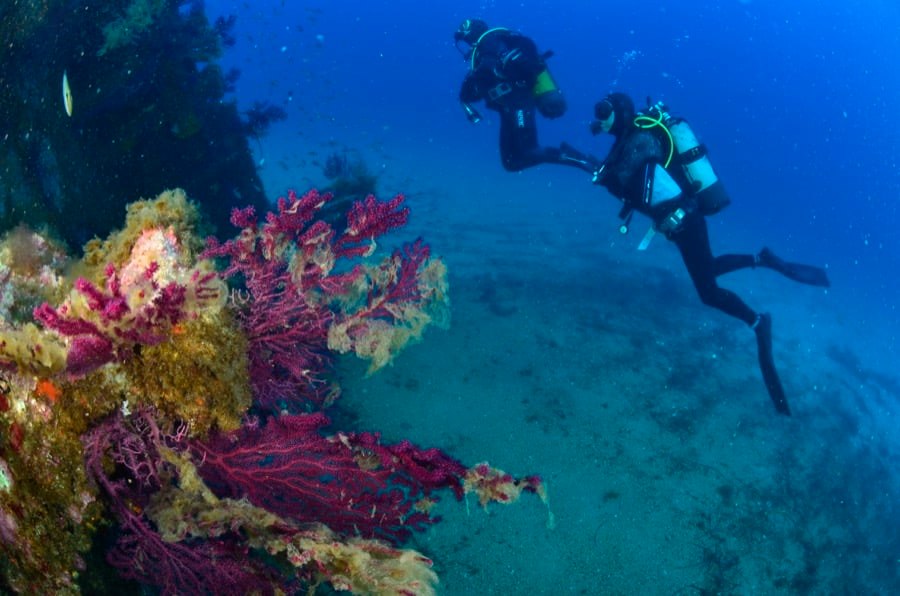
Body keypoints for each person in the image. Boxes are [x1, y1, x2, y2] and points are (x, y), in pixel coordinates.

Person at [588, 92, 830, 416]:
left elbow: (634, 189)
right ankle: (762, 260)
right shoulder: (630, 141)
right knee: (709, 269)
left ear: (619, 112)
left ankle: (758, 322)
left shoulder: (640, 139)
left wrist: (600, 174)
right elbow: (625, 181)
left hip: (686, 221)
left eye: (603, 111)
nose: (598, 118)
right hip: (682, 222)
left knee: (708, 291)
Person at [454, 18, 598, 173]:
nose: (465, 37)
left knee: (530, 151)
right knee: (511, 162)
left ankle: (582, 160)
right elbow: (480, 85)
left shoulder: (489, 41)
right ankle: (570, 155)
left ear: (475, 29)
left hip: (519, 102)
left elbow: (486, 71)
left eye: (465, 28)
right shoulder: (484, 51)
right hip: (507, 108)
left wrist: (470, 84)